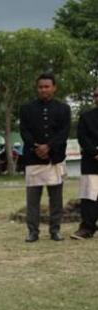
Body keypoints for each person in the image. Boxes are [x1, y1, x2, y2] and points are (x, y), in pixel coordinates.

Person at [20, 73, 71, 242]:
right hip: (33, 158)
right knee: (33, 200)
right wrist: (37, 147)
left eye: (47, 86)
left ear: (54, 88)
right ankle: (33, 232)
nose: (43, 90)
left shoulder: (64, 108)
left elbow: (64, 132)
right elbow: (24, 131)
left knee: (56, 199)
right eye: (40, 87)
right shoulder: (26, 108)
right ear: (37, 88)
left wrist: (49, 146)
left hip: (54, 158)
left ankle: (55, 230)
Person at [72, 87, 98, 240]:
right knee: (89, 198)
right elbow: (83, 138)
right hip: (91, 162)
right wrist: (95, 153)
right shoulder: (86, 117)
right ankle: (87, 228)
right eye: (96, 95)